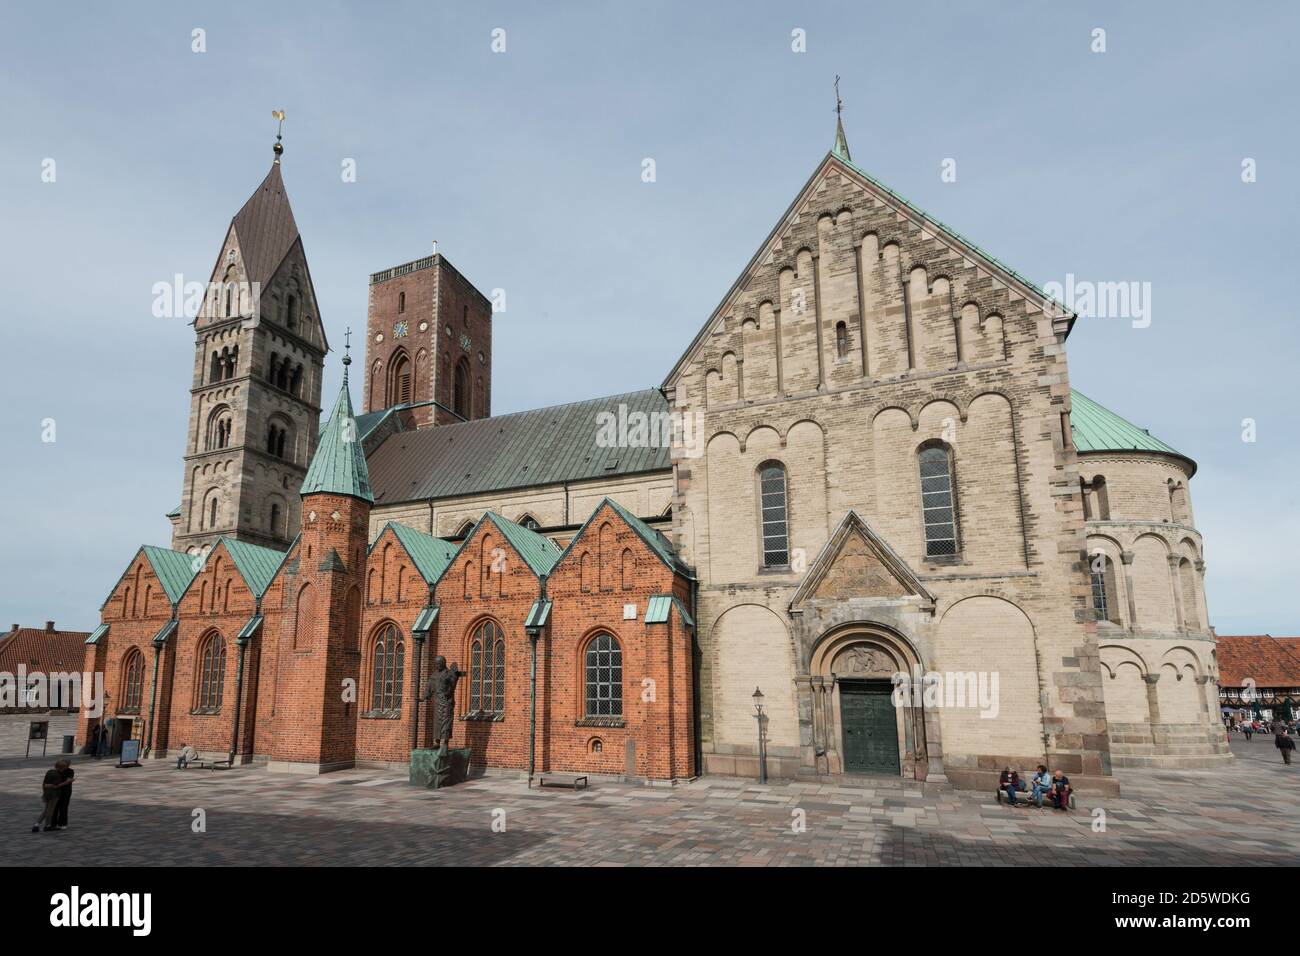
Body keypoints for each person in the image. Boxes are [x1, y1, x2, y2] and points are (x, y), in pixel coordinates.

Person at [32, 760, 71, 832]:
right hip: (54, 794)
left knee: (46, 810)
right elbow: (56, 786)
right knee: (50, 810)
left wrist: (44, 793)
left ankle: (37, 825)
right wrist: (67, 782)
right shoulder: (57, 775)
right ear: (61, 768)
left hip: (47, 793)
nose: (64, 769)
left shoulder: (49, 772)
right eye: (64, 768)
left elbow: (44, 784)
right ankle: (47, 826)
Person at [52, 761, 74, 830]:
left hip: (66, 791)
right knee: (55, 808)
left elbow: (68, 779)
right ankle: (53, 824)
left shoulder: (70, 771)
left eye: (66, 765)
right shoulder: (55, 772)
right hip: (57, 791)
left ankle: (62, 823)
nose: (65, 767)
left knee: (63, 807)